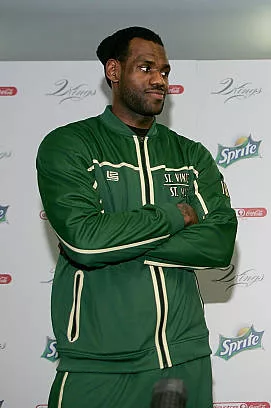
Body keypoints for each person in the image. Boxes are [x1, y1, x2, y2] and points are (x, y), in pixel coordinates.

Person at [36, 27, 237, 408]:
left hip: (183, 359)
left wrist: (117, 240)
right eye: (146, 68)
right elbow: (85, 241)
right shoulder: (69, 144)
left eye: (164, 71)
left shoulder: (190, 155)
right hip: (99, 364)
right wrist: (175, 215)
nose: (159, 79)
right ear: (113, 71)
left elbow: (218, 244)